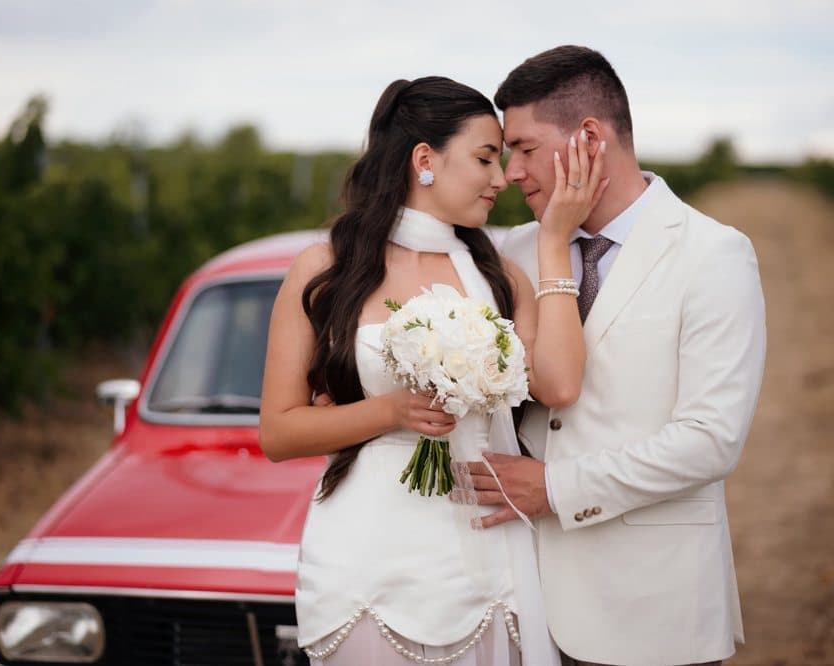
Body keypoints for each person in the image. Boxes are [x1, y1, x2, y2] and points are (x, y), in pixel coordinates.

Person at [260, 76, 606, 665]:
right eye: (484, 158)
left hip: (481, 550)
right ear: (425, 160)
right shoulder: (325, 270)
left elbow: (560, 384)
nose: (502, 179)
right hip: (368, 552)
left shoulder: (495, 274)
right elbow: (278, 433)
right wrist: (390, 411)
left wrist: (553, 243)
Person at [468, 46, 768, 666]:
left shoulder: (713, 255)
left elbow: (711, 439)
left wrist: (555, 487)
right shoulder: (511, 252)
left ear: (589, 136)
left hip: (651, 606)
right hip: (517, 596)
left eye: (523, 148)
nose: (511, 173)